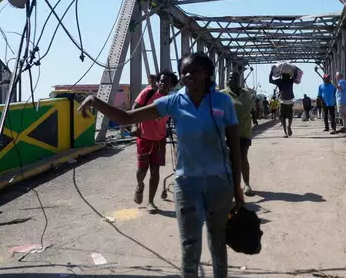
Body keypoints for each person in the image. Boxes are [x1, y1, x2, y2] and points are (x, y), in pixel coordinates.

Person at [78, 52, 245, 278]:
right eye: (184, 71)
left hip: (219, 185)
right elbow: (128, 117)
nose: (188, 75)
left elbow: (235, 148)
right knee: (189, 248)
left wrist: (238, 190)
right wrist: (96, 101)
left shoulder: (223, 102)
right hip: (187, 186)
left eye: (194, 71)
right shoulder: (174, 102)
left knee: (218, 245)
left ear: (207, 74)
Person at [131, 70, 177, 214]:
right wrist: (134, 126)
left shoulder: (172, 101)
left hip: (159, 140)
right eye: (161, 81)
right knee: (142, 171)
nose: (163, 84)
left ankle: (151, 202)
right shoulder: (148, 93)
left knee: (155, 171)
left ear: (172, 86)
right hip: (144, 138)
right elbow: (135, 109)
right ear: (157, 81)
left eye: (166, 82)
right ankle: (140, 186)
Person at [222, 72, 258, 197]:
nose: (233, 80)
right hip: (228, 133)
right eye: (231, 77)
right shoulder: (222, 94)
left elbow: (253, 109)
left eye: (236, 78)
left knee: (243, 155)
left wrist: (255, 119)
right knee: (231, 158)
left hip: (244, 131)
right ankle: (232, 185)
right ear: (227, 80)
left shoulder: (246, 94)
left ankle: (247, 184)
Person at [269, 66, 297, 137]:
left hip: (283, 100)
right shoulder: (290, 80)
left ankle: (285, 132)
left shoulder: (279, 81)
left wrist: (271, 71)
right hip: (290, 99)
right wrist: (295, 69)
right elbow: (295, 76)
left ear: (281, 75)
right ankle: (288, 127)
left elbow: (270, 80)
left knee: (283, 116)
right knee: (289, 116)